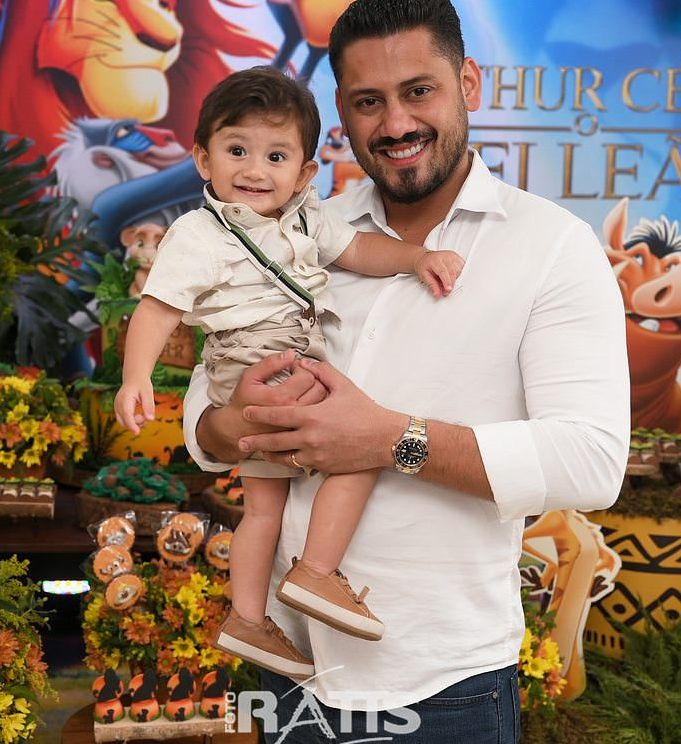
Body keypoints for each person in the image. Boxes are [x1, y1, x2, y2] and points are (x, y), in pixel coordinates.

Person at [182, 0, 630, 744]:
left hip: (443, 681)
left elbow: (591, 461)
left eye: (418, 91)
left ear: (469, 84)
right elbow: (202, 417)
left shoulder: (551, 249)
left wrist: (393, 439)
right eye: (368, 102)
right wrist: (239, 422)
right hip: (297, 669)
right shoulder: (294, 228)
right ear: (342, 114)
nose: (394, 123)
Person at [114, 66, 464, 681]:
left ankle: (247, 617)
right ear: (202, 159)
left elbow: (360, 250)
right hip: (253, 357)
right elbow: (158, 309)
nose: (255, 170)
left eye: (275, 156)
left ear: (304, 173)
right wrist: (135, 376)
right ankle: (317, 573)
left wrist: (416, 258)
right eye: (237, 151)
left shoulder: (307, 217)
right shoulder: (198, 234)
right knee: (365, 445)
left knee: (262, 508)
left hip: (284, 359)